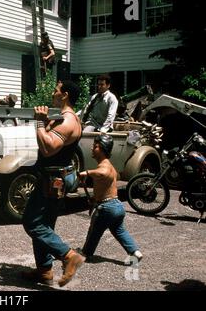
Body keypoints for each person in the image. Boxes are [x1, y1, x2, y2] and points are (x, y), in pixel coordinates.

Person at [22, 80, 85, 287]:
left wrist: (40, 123)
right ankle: (45, 271)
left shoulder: (68, 120)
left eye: (56, 90)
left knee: (32, 223)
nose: (53, 93)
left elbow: (49, 147)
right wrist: (46, 122)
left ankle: (68, 256)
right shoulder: (63, 118)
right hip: (53, 177)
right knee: (44, 225)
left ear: (64, 95)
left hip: (53, 179)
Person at [78, 134, 143, 262]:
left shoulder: (105, 166)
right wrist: (94, 200)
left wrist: (87, 172)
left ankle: (86, 253)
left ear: (102, 149)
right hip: (116, 206)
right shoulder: (109, 165)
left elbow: (103, 173)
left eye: (95, 146)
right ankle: (135, 252)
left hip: (107, 208)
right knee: (119, 230)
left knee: (94, 231)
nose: (92, 149)